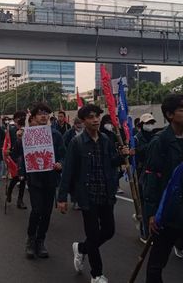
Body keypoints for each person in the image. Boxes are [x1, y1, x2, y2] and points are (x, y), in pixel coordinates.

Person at [58, 104, 126, 283]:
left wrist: (123, 155)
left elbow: (111, 162)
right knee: (94, 234)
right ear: (83, 121)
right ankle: (96, 274)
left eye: (97, 116)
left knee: (109, 230)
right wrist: (62, 197)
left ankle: (81, 248)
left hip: (106, 193)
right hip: (87, 196)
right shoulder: (77, 143)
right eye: (90, 117)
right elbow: (68, 171)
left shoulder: (105, 139)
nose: (95, 120)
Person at [143, 94, 183, 282]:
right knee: (157, 262)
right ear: (170, 114)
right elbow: (151, 178)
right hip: (167, 210)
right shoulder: (159, 141)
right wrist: (152, 213)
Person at [19, 102, 66, 259]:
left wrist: (61, 164)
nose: (43, 116)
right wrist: (22, 172)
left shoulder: (56, 135)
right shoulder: (26, 134)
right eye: (40, 113)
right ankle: (30, 240)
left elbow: (63, 154)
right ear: (33, 117)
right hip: (35, 179)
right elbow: (21, 155)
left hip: (50, 178)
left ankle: (41, 240)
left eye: (46, 113)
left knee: (46, 212)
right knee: (37, 210)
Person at [134, 113, 156, 242]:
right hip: (141, 173)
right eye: (147, 123)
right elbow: (137, 153)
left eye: (152, 123)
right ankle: (144, 231)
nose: (150, 125)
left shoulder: (155, 136)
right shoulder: (136, 139)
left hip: (154, 173)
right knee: (145, 204)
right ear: (141, 125)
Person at [5, 110, 28, 209]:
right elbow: (7, 144)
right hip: (15, 157)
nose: (20, 119)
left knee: (23, 179)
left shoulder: (28, 129)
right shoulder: (11, 130)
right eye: (18, 118)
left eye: (22, 117)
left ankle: (20, 200)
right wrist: (7, 152)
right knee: (16, 178)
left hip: (25, 157)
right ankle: (9, 192)